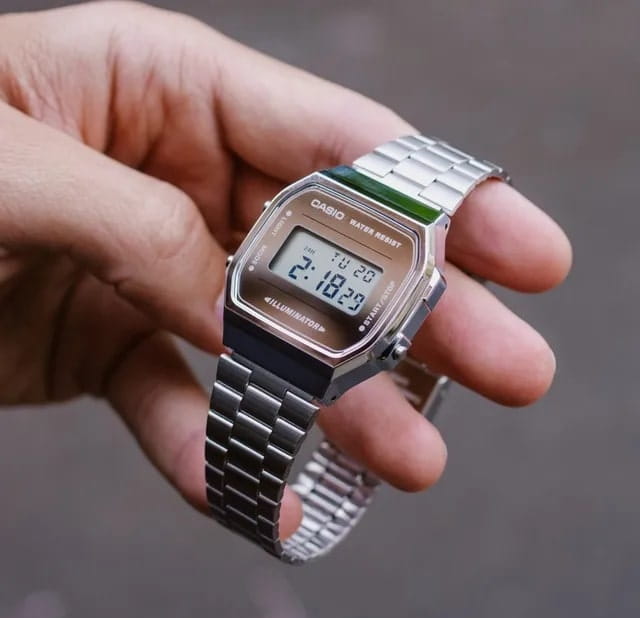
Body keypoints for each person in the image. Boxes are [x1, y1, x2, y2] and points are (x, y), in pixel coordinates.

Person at [0, 2, 572, 539]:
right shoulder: (305, 204)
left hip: (315, 349)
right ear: (280, 209)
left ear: (395, 342)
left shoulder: (400, 288)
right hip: (256, 324)